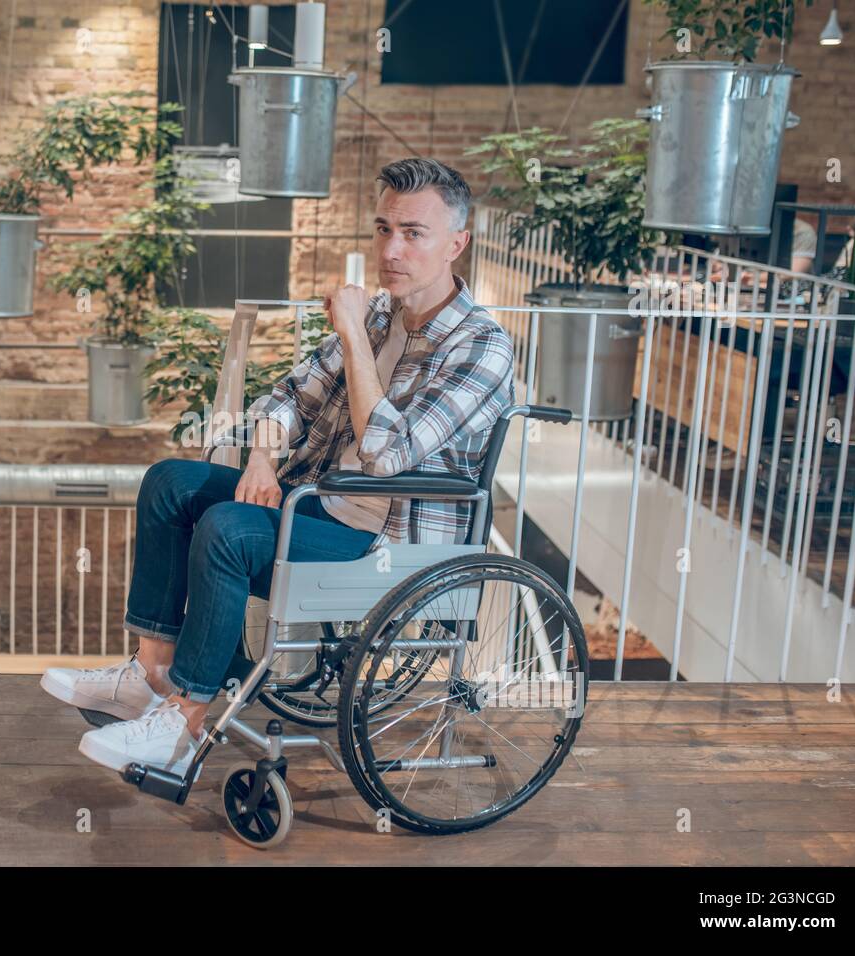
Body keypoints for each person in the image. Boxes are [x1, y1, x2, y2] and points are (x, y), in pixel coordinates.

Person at [41, 157, 516, 779]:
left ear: (458, 243)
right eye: (382, 229)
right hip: (321, 500)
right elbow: (285, 398)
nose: (391, 249)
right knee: (172, 483)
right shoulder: (378, 316)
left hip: (392, 541)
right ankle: (150, 675)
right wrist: (263, 456)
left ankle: (181, 724)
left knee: (231, 530)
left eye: (413, 233)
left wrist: (350, 337)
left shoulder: (481, 345)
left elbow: (388, 453)